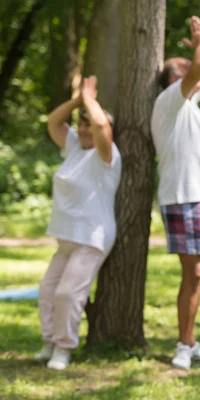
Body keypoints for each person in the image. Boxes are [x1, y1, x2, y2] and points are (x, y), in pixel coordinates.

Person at [150, 16, 200, 370]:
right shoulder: (169, 100)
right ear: (174, 80)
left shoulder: (188, 103)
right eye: (184, 69)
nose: (194, 71)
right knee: (193, 274)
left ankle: (189, 341)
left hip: (198, 196)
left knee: (197, 273)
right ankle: (183, 344)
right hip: (184, 196)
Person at [35, 76, 122, 370]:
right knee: (47, 291)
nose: (84, 128)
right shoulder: (73, 148)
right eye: (80, 123)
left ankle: (64, 347)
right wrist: (77, 100)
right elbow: (53, 121)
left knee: (68, 293)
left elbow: (101, 127)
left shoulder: (106, 156)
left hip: (92, 236)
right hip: (66, 237)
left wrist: (90, 100)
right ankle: (49, 342)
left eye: (88, 124)